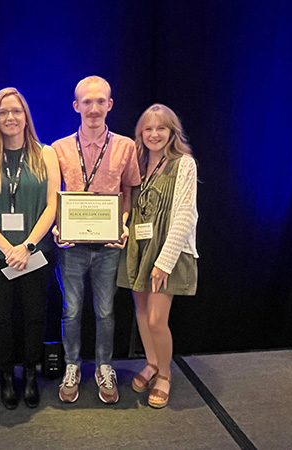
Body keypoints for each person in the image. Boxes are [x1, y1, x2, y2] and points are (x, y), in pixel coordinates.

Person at [0, 88, 60, 409]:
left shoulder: (45, 153)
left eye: (16, 111)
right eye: (3, 112)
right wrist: (10, 248)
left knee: (35, 316)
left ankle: (31, 375)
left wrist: (28, 245)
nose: (10, 117)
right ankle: (7, 375)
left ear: (26, 116)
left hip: (36, 252)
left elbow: (52, 206)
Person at [51, 76, 141, 404]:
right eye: (86, 102)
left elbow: (128, 190)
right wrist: (57, 228)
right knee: (71, 311)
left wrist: (124, 223)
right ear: (76, 106)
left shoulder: (126, 147)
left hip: (108, 247)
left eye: (100, 101)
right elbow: (52, 199)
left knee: (105, 311)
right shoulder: (58, 149)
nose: (93, 108)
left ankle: (104, 366)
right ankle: (72, 366)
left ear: (110, 105)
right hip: (71, 247)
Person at [117, 104, 198, 408]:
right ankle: (151, 363)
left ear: (171, 132)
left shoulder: (184, 164)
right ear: (140, 133)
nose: (154, 134)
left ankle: (164, 374)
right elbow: (129, 203)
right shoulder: (136, 162)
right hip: (139, 247)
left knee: (156, 319)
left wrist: (164, 261)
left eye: (161, 128)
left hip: (168, 250)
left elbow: (185, 216)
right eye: (148, 129)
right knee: (140, 311)